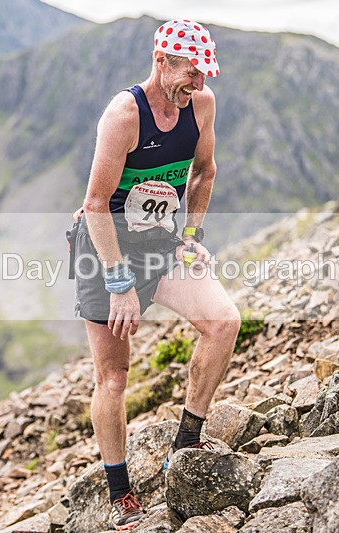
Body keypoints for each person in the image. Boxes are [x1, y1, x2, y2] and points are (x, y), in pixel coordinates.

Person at [72, 19, 240, 531]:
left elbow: (204, 172)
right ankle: (120, 493)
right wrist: (119, 284)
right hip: (106, 250)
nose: (199, 84)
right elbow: (96, 204)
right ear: (161, 61)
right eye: (191, 73)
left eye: (204, 75)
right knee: (115, 376)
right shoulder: (124, 116)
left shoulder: (202, 106)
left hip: (162, 245)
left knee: (224, 321)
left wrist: (191, 238)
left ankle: (185, 444)